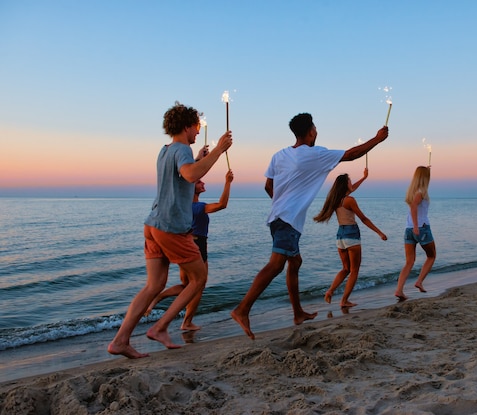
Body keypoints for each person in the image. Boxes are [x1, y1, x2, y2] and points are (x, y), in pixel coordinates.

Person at [231, 113, 389, 339]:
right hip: (287, 220)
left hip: (277, 218)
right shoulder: (314, 154)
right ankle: (242, 309)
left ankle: (297, 313)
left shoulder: (279, 155)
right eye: (315, 128)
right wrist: (377, 139)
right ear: (311, 131)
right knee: (276, 265)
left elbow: (268, 186)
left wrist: (282, 204)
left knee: (295, 262)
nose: (316, 131)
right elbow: (351, 155)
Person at [108, 102, 232, 358]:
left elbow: (180, 175)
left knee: (153, 285)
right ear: (186, 127)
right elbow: (188, 175)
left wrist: (199, 159)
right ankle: (161, 327)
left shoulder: (165, 151)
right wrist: (218, 150)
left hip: (152, 224)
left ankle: (120, 340)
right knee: (199, 279)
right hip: (172, 228)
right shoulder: (183, 149)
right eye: (196, 128)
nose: (198, 133)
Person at [145, 170, 234, 331]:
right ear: (192, 188)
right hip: (198, 245)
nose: (203, 183)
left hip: (183, 245)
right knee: (198, 285)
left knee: (187, 284)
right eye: (199, 182)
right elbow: (222, 205)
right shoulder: (198, 207)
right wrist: (228, 182)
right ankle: (186, 322)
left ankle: (159, 297)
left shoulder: (182, 207)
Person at [313, 168, 387, 307]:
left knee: (345, 269)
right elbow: (363, 219)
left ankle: (330, 291)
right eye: (349, 181)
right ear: (345, 184)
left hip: (340, 237)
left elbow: (352, 189)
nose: (351, 183)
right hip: (351, 236)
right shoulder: (350, 200)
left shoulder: (336, 200)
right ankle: (344, 301)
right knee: (354, 271)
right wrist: (379, 232)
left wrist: (364, 177)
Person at [394, 166, 436, 301]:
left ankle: (399, 290)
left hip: (408, 230)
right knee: (431, 256)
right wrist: (417, 227)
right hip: (421, 228)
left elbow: (413, 206)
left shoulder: (413, 192)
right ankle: (419, 281)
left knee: (409, 262)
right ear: (425, 178)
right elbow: (413, 208)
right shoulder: (421, 192)